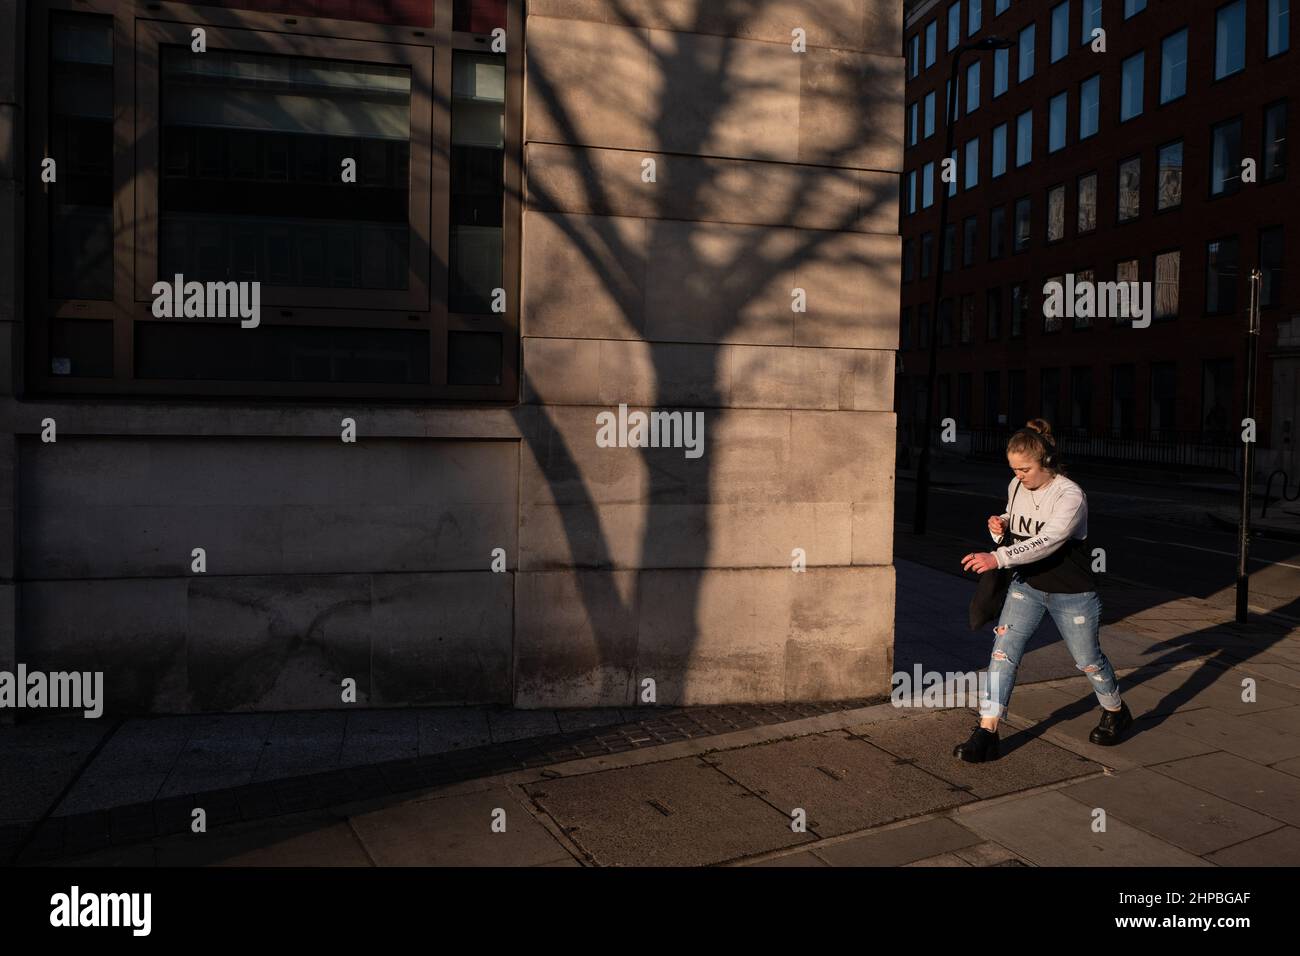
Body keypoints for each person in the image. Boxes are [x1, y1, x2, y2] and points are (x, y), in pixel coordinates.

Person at [954, 419, 1132, 762]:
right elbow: (1017, 519)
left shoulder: (1071, 496)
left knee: (1088, 661)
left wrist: (997, 556)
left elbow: (1048, 540)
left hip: (1072, 594)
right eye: (1014, 469)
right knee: (1002, 653)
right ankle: (987, 731)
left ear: (1046, 462)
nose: (1019, 475)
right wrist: (1000, 525)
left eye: (1025, 469)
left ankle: (1116, 710)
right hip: (1027, 586)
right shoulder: (1016, 486)